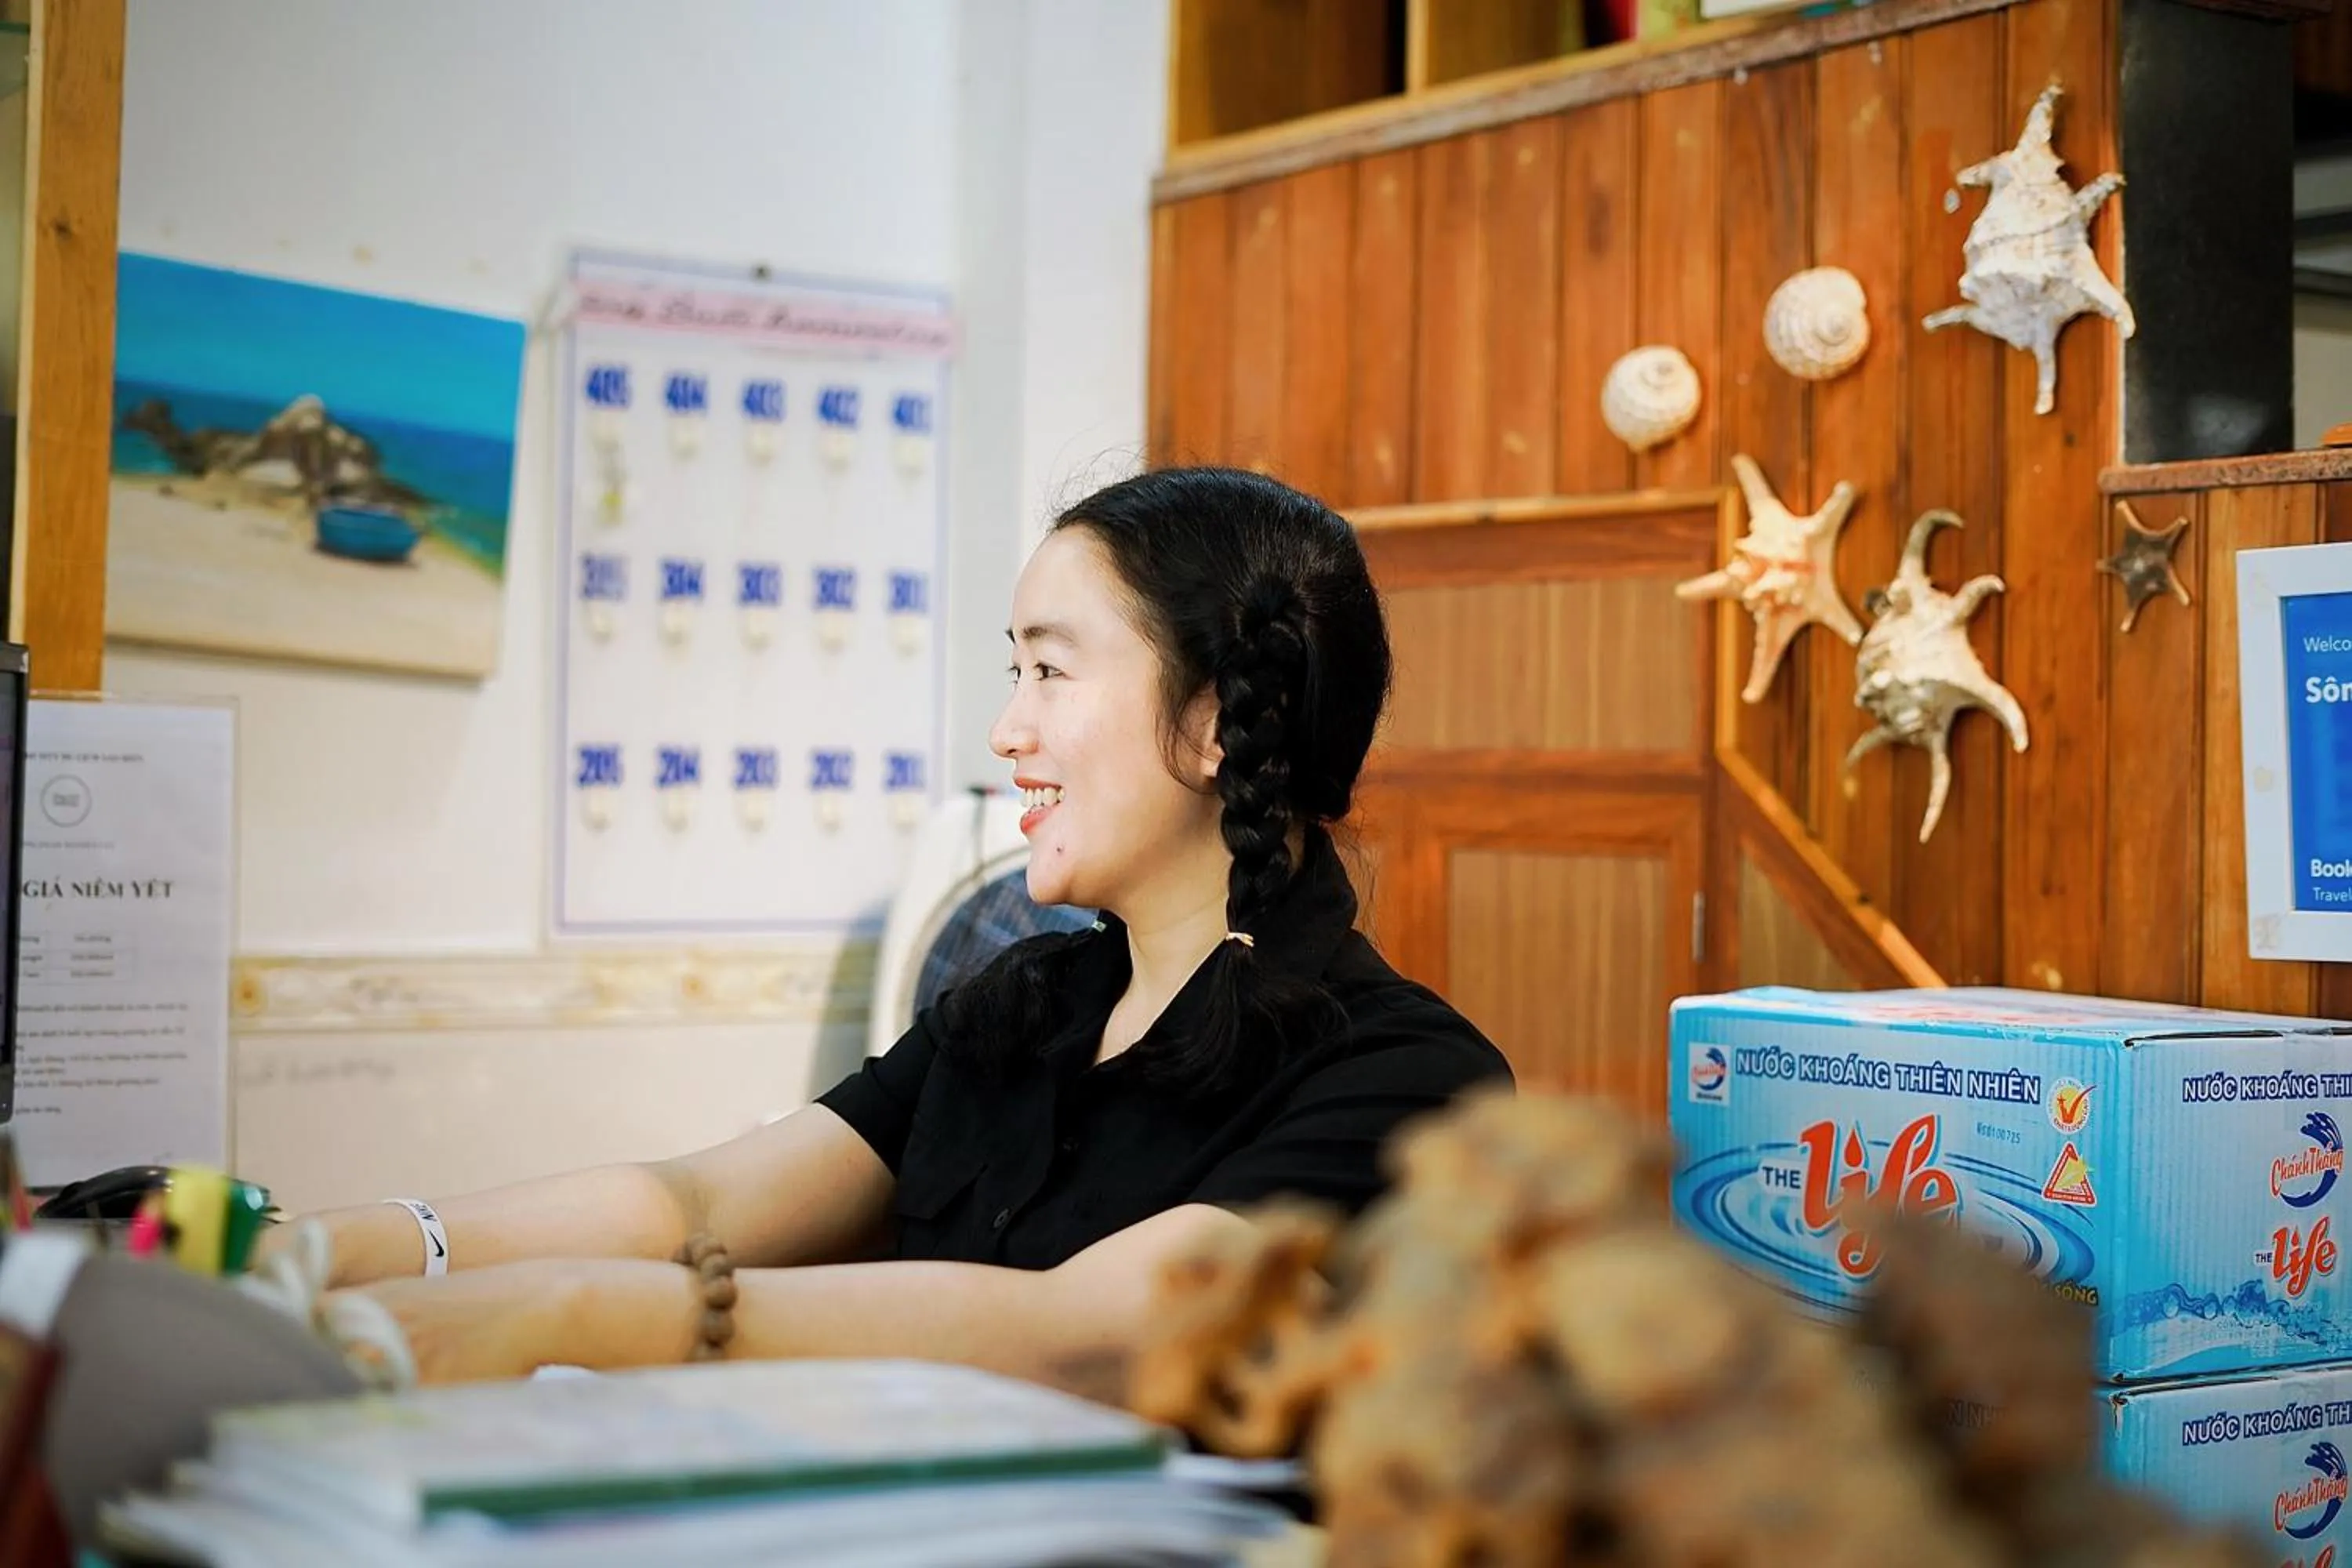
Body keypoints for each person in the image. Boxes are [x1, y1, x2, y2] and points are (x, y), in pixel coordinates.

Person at [299, 466, 1514, 1395]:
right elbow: (694, 1203)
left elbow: (1094, 1335)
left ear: (1212, 726)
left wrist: (585, 1318)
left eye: (1050, 672)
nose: (1007, 731)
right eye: (1015, 671)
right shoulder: (1025, 1005)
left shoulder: (1409, 1080)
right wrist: (338, 1249)